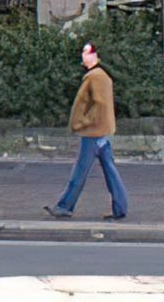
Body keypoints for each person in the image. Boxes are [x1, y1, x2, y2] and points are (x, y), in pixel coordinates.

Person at [46, 42, 128, 221]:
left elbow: (99, 105)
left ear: (95, 55)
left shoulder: (95, 77)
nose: (83, 56)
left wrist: (82, 122)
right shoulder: (101, 76)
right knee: (110, 170)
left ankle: (65, 206)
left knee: (80, 170)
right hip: (101, 131)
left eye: (87, 52)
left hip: (92, 132)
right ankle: (120, 207)